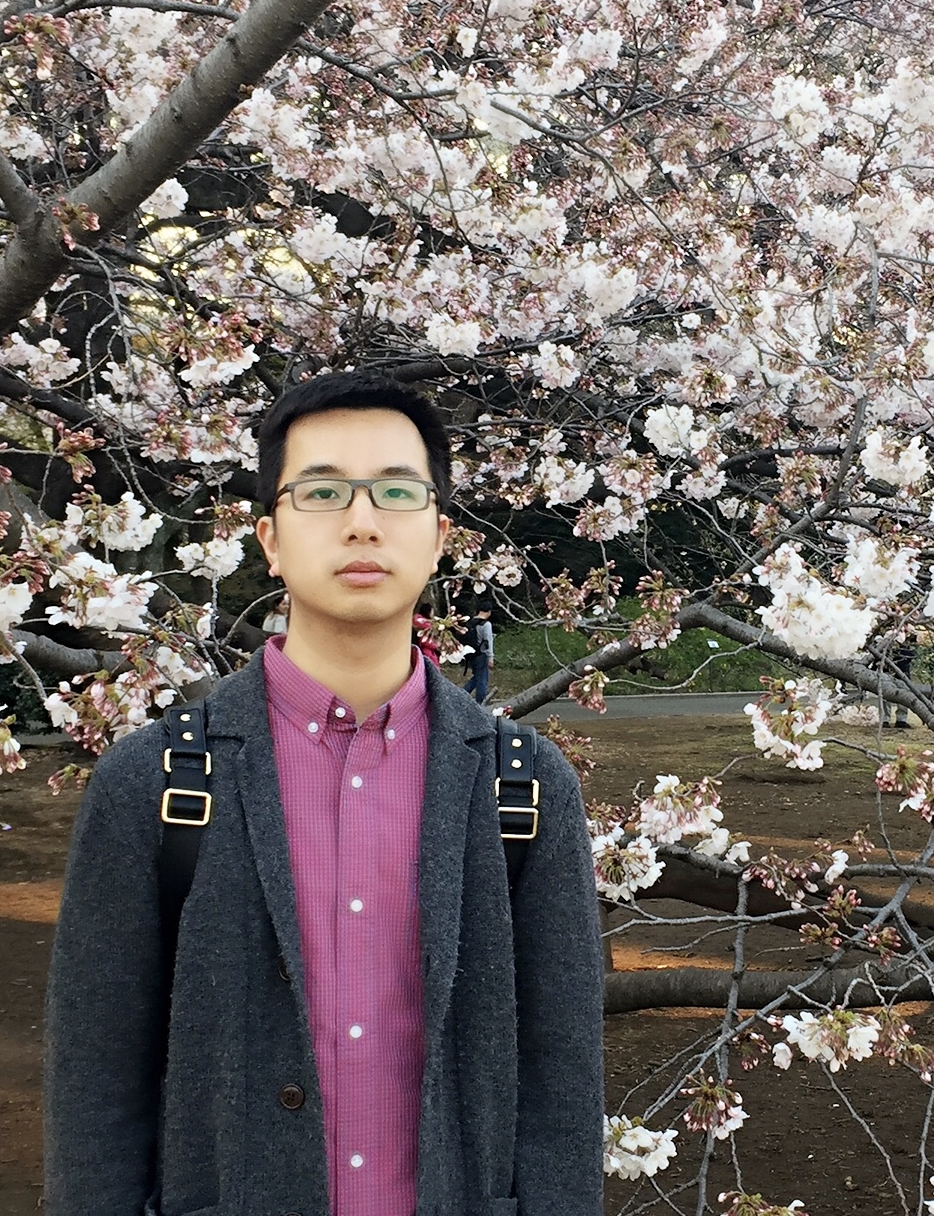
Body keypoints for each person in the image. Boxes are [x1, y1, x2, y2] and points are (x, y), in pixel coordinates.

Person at [43, 371, 604, 1216]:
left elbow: (562, 1086)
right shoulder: (155, 780)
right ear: (269, 539)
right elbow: (95, 1080)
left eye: (396, 491)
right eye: (323, 490)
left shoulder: (521, 787)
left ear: (440, 535)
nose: (362, 520)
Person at [463, 605, 495, 704]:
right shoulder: (486, 624)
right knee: (482, 680)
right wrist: (491, 658)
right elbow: (488, 641)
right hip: (481, 655)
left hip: (471, 655)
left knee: (477, 677)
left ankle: (462, 694)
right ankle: (480, 703)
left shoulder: (470, 622)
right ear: (488, 612)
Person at [412, 599, 440, 665]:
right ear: (428, 612)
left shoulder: (426, 624)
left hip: (425, 650)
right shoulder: (424, 625)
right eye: (432, 612)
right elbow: (425, 642)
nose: (433, 614)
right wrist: (436, 645)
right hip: (425, 651)